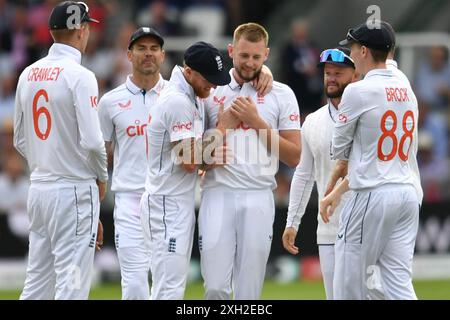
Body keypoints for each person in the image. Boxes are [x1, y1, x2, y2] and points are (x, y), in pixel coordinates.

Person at [199, 22, 301, 300]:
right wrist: (223, 127)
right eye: (244, 55)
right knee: (216, 287)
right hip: (217, 193)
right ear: (231, 51)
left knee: (249, 291)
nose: (250, 62)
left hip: (259, 195)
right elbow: (194, 155)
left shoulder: (281, 93)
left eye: (257, 57)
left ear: (266, 54)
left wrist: (256, 122)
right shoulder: (210, 91)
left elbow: (294, 155)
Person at [13, 1, 107, 300]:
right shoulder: (81, 75)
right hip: (74, 189)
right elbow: (93, 142)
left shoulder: (28, 74)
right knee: (73, 284)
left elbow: (19, 139)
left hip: (39, 189)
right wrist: (100, 177)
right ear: (80, 30)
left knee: (37, 284)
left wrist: (47, 161)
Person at [320, 21, 421, 300]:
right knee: (399, 286)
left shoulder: (357, 90)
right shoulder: (404, 83)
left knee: (347, 286)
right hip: (407, 194)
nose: (351, 55)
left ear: (364, 51)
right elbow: (391, 62)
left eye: (352, 49)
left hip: (371, 195)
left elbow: (338, 147)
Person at [140, 41, 231, 300]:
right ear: (189, 71)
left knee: (170, 285)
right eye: (210, 79)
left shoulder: (192, 93)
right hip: (166, 204)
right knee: (168, 288)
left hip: (174, 200)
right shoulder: (179, 101)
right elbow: (190, 161)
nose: (213, 85)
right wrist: (223, 129)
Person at [97, 27, 166, 300]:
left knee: (166, 284)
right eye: (141, 48)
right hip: (129, 199)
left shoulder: (178, 94)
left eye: (153, 49)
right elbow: (98, 155)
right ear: (129, 54)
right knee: (135, 285)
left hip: (167, 199)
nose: (147, 54)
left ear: (162, 55)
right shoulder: (110, 101)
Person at [282, 47, 357, 300]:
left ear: (355, 76)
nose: (331, 78)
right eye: (327, 73)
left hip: (365, 224)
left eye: (338, 72)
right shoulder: (312, 122)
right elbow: (303, 175)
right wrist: (293, 221)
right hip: (328, 229)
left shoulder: (367, 115)